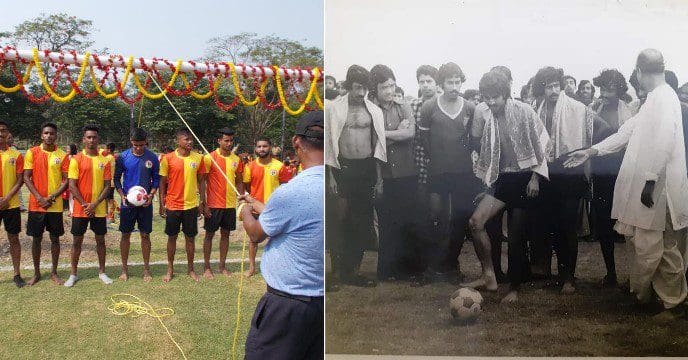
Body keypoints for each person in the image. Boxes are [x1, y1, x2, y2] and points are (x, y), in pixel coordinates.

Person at [566, 49, 688, 321]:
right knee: (650, 244)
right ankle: (653, 298)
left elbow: (665, 143)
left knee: (658, 246)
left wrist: (650, 182)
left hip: (659, 188)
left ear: (641, 72)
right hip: (653, 186)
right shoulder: (654, 99)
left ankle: (672, 304)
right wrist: (592, 151)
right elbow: (628, 131)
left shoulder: (664, 99)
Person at [241, 111, 324, 359]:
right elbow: (300, 220)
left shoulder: (292, 191)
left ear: (297, 142)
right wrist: (258, 203)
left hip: (289, 308)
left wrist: (245, 210)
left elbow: (256, 234)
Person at [465, 70, 549, 303]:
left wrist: (535, 178)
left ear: (505, 94)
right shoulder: (488, 118)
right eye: (487, 97)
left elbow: (543, 143)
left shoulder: (524, 111)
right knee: (475, 222)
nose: (491, 102)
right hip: (503, 180)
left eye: (496, 97)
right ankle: (489, 276)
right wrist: (489, 182)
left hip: (525, 179)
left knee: (515, 237)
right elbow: (492, 155)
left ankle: (515, 288)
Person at [533, 66, 594, 294]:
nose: (554, 90)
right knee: (552, 224)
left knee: (568, 224)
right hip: (546, 172)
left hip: (570, 170)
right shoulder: (536, 110)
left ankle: (569, 277)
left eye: (556, 85)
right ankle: (557, 274)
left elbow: (592, 134)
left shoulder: (577, 108)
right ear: (542, 89)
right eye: (548, 87)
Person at [326, 64, 385, 287]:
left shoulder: (373, 110)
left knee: (362, 221)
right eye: (357, 88)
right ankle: (336, 272)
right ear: (349, 86)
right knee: (340, 219)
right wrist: (330, 175)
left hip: (366, 169)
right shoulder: (334, 109)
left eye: (365, 89)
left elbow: (378, 145)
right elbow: (330, 144)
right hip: (343, 169)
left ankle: (354, 271)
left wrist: (378, 177)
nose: (361, 93)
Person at [417, 62, 477, 284]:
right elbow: (424, 140)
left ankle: (452, 265)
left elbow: (473, 140)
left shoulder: (470, 107)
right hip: (438, 172)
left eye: (457, 82)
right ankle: (432, 267)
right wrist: (439, 159)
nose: (454, 86)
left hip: (463, 173)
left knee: (459, 218)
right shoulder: (429, 107)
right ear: (441, 84)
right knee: (435, 216)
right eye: (449, 82)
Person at [589, 69, 638, 287]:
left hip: (622, 173)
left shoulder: (627, 112)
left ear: (619, 90)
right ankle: (611, 272)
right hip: (600, 173)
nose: (605, 93)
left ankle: (634, 275)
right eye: (602, 88)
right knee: (603, 224)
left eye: (610, 89)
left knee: (625, 223)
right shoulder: (592, 109)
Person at [368, 64, 416, 281]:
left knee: (407, 220)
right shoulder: (372, 109)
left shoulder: (403, 106)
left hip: (407, 172)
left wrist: (385, 134)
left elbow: (410, 133)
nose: (389, 91)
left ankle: (407, 270)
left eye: (392, 85)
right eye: (384, 87)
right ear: (375, 88)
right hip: (385, 174)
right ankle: (387, 271)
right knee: (388, 224)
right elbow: (374, 144)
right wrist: (398, 132)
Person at [66, 124, 113, 287]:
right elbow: (72, 185)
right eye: (89, 137)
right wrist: (86, 205)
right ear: (83, 139)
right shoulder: (76, 159)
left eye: (94, 137)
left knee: (100, 240)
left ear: (98, 139)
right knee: (77, 241)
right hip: (81, 209)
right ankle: (73, 274)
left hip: (98, 209)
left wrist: (95, 204)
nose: (92, 140)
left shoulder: (105, 161)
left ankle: (102, 272)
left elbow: (107, 186)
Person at [23, 122, 70, 286]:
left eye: (52, 133)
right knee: (36, 239)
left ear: (56, 135)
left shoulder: (62, 155)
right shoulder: (32, 152)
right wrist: (39, 197)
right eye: (46, 133)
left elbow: (66, 180)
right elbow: (26, 177)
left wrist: (50, 197)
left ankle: (54, 273)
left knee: (55, 239)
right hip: (36, 205)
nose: (49, 136)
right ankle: (36, 273)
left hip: (54, 206)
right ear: (41, 135)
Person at [159, 128, 208, 282]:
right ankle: (170, 269)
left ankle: (191, 269)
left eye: (191, 139)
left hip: (191, 206)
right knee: (172, 237)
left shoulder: (199, 158)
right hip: (173, 205)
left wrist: (201, 202)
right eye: (186, 139)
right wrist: (162, 203)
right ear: (178, 141)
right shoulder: (168, 158)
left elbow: (201, 182)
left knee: (190, 239)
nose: (190, 142)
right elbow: (162, 183)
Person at [113, 127, 160, 282]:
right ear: (131, 142)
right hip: (128, 204)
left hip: (145, 203)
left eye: (142, 145)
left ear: (145, 142)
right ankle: (124, 270)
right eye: (136, 145)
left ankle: (146, 269)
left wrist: (151, 195)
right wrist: (122, 196)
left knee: (145, 235)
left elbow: (156, 180)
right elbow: (116, 179)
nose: (139, 148)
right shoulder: (123, 157)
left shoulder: (152, 157)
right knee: (125, 235)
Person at [242, 137, 292, 277]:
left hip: (273, 209)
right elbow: (246, 186)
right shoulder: (249, 166)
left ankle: (274, 268)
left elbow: (285, 187)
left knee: (275, 239)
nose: (262, 149)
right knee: (253, 240)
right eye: (259, 147)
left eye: (265, 146)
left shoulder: (279, 166)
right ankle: (252, 268)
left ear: (270, 147)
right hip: (254, 209)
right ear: (255, 148)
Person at [202, 127, 245, 279]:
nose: (229, 143)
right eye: (226, 140)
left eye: (231, 140)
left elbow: (239, 181)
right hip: (213, 205)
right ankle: (207, 267)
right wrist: (204, 203)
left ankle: (222, 266)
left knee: (226, 235)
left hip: (229, 205)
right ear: (219, 141)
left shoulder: (236, 159)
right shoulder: (209, 158)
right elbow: (202, 181)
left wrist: (242, 196)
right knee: (209, 235)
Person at [0, 122, 25, 287]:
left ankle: (16, 274)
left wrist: (7, 198)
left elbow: (20, 180)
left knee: (14, 238)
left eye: (3, 130)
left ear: (8, 133)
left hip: (12, 204)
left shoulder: (16, 155)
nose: (0, 133)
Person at [101, 142, 117, 224]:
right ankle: (109, 215)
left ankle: (111, 217)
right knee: (108, 199)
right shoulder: (112, 157)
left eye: (105, 148)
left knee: (109, 200)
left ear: (109, 149)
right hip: (111, 182)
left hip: (109, 182)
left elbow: (102, 166)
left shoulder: (109, 158)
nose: (104, 150)